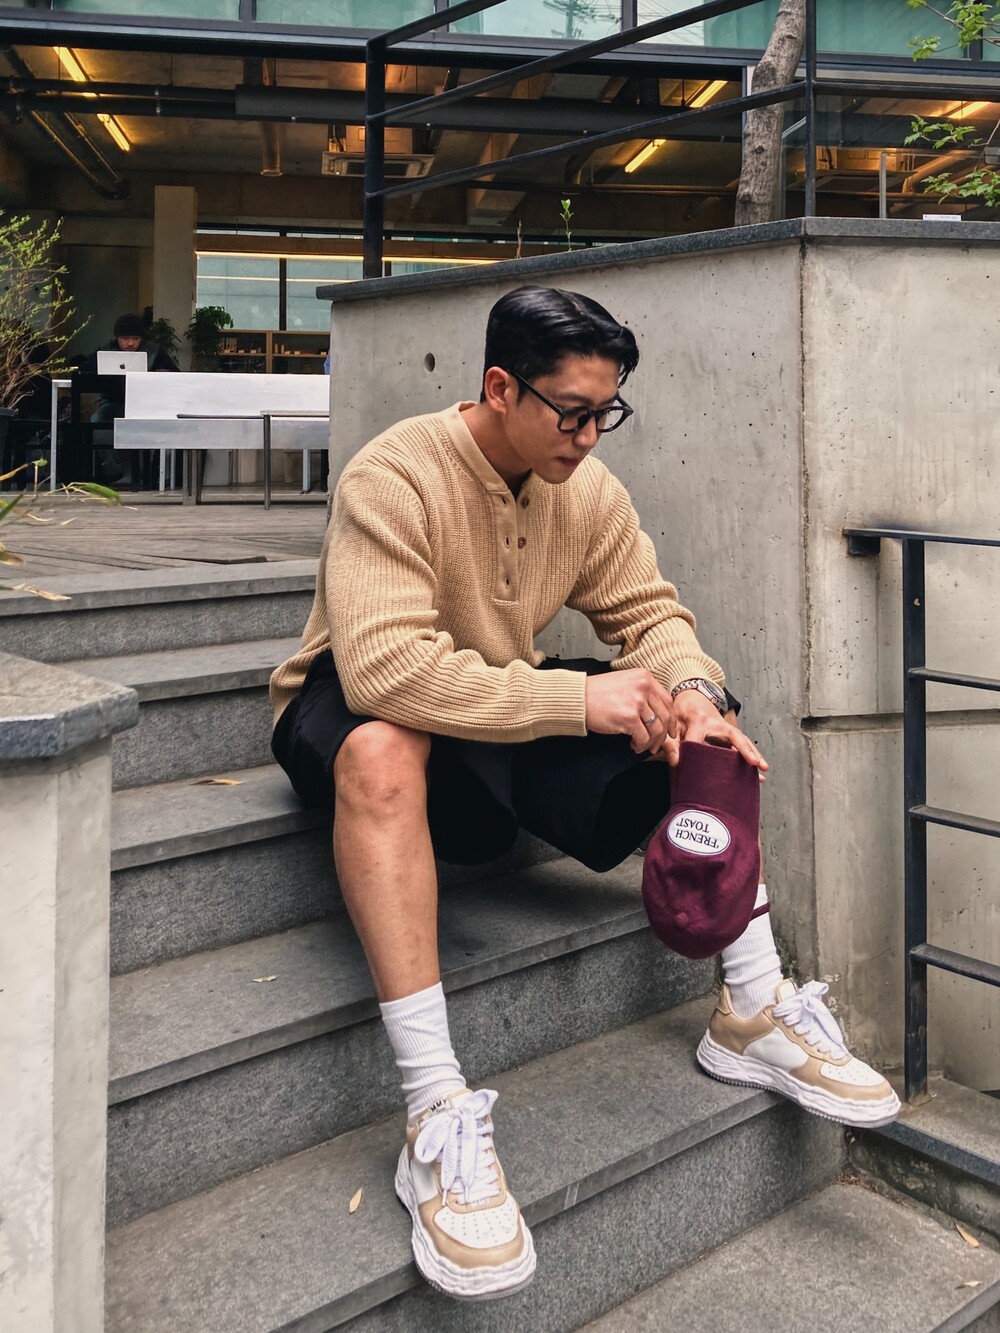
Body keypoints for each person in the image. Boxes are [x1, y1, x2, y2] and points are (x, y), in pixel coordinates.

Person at [269, 286, 899, 1302]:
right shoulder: (395, 472)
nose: (590, 435)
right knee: (385, 745)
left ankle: (751, 1006)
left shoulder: (587, 489)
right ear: (499, 387)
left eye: (607, 411)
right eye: (571, 412)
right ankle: (435, 1113)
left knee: (698, 723)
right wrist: (577, 700)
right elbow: (385, 669)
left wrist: (692, 693)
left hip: (490, 703)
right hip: (352, 704)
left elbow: (649, 614)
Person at [81, 312, 178, 483]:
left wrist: (163, 374)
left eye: (136, 338)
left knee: (156, 425)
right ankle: (112, 470)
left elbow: (175, 375)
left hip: (145, 406)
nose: (131, 343)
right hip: (112, 404)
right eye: (125, 338)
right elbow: (85, 371)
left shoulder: (155, 351)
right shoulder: (105, 351)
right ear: (117, 338)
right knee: (98, 422)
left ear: (142, 338)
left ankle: (147, 471)